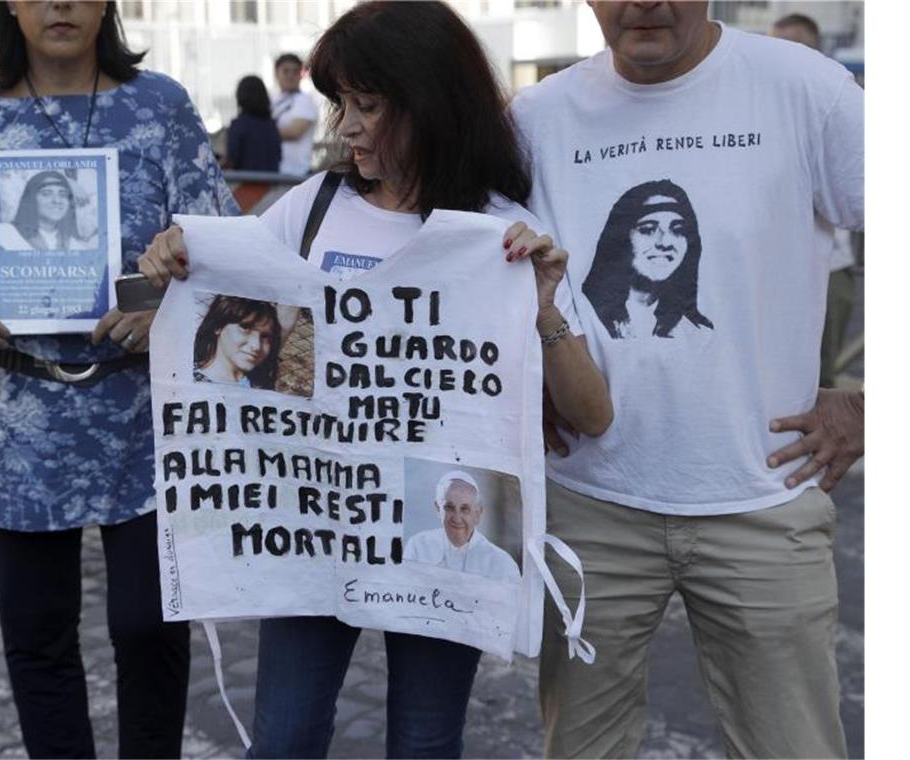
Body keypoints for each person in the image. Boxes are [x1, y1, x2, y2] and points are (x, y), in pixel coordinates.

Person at [140, 3, 612, 757]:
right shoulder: (312, 209)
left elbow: (592, 415)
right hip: (315, 522)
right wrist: (179, 259)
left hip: (433, 540)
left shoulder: (500, 235)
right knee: (285, 738)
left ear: (429, 105)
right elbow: (234, 320)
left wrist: (545, 305)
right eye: (340, 104)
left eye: (369, 105)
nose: (347, 127)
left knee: (424, 742)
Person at [0, 2, 237, 757]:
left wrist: (170, 301)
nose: (60, 4)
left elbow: (223, 244)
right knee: (37, 640)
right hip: (18, 417)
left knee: (149, 628)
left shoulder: (157, 105)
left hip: (147, 414)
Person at [511, 2, 864, 757]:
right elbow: (486, 271)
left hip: (764, 501)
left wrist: (876, 403)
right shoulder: (538, 118)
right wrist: (520, 387)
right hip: (589, 508)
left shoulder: (808, 90)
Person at [770, 12, 860, 389]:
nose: (785, 55)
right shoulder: (765, 106)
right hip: (772, 277)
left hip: (831, 268)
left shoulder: (832, 98)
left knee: (819, 384)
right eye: (778, 45)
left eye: (795, 45)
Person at [584, 178, 713, 339]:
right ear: (621, 237)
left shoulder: (696, 331)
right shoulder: (585, 316)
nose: (665, 242)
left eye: (678, 230)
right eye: (647, 230)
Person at [403, 471, 521, 581]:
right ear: (438, 509)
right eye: (449, 507)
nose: (457, 518)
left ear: (477, 514)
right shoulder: (418, 547)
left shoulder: (502, 564)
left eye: (465, 509)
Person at [193, 295, 283, 389]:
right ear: (218, 326)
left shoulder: (260, 385)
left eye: (265, 336)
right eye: (245, 328)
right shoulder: (189, 381)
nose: (256, 346)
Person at [0, 170, 96, 251]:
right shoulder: (5, 234)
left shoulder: (75, 246)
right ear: (30, 199)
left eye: (63, 195)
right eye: (46, 194)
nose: (57, 200)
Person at [270, 53, 318, 176]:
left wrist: (260, 132)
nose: (291, 76)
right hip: (275, 172)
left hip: (296, 174)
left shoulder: (305, 100)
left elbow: (295, 132)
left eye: (295, 72)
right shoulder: (272, 100)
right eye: (286, 71)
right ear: (276, 74)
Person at [226, 75, 282, 172]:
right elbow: (278, 156)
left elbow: (233, 159)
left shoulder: (238, 125)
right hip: (271, 185)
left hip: (244, 184)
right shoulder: (271, 126)